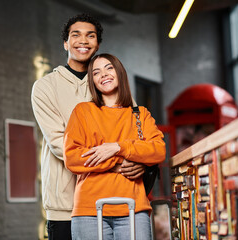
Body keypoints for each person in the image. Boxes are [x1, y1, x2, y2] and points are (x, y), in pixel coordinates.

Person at [31, 14, 145, 240]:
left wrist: (140, 163)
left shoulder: (113, 84)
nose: (83, 40)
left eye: (90, 36)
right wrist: (117, 162)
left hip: (117, 199)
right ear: (65, 43)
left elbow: (137, 134)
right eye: (76, 35)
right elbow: (59, 144)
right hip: (66, 205)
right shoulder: (45, 87)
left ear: (98, 44)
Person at [64, 53, 166, 240]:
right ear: (93, 81)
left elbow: (158, 150)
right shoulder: (82, 112)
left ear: (120, 73)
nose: (103, 74)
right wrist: (118, 164)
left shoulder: (140, 114)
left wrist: (117, 147)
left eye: (109, 68)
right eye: (96, 72)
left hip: (134, 208)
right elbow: (72, 158)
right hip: (89, 210)